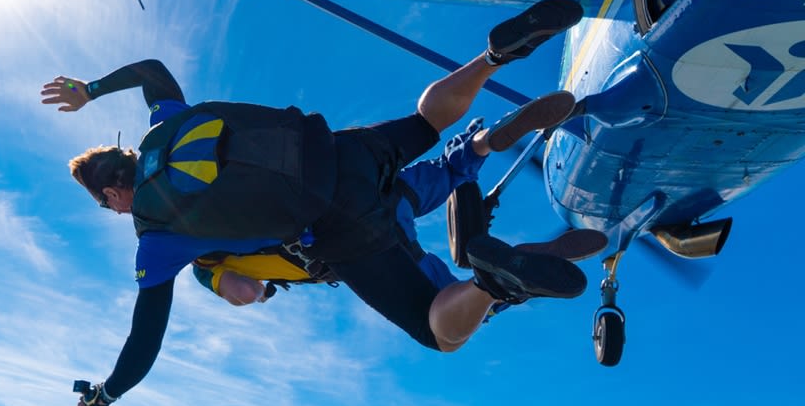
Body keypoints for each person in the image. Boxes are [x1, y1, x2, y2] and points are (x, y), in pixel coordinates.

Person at [42, 0, 591, 406]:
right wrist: (89, 90)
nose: (113, 211)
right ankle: (491, 60)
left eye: (104, 204)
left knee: (439, 330)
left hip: (341, 228)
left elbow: (145, 341)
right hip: (343, 150)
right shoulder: (165, 121)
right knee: (426, 126)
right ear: (125, 155)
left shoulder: (157, 240)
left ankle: (493, 285)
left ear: (114, 195)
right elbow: (152, 69)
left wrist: (105, 395)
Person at [192, 120, 606, 306]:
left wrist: (259, 293)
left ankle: (501, 282)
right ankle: (480, 141)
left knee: (448, 309)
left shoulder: (201, 260)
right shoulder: (232, 191)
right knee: (449, 171)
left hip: (363, 241)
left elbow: (243, 291)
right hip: (367, 181)